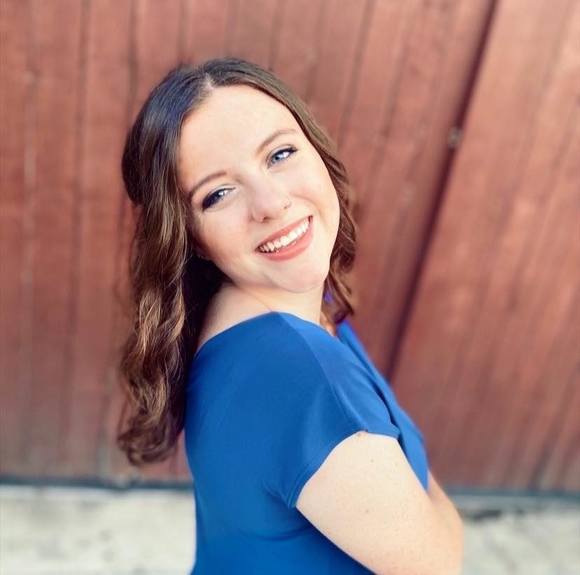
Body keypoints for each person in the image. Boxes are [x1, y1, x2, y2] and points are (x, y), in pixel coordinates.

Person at [117, 57, 463, 574]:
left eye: (279, 154)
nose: (271, 203)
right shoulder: (304, 381)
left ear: (316, 150)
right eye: (218, 194)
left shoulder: (243, 313)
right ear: (192, 238)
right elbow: (437, 564)